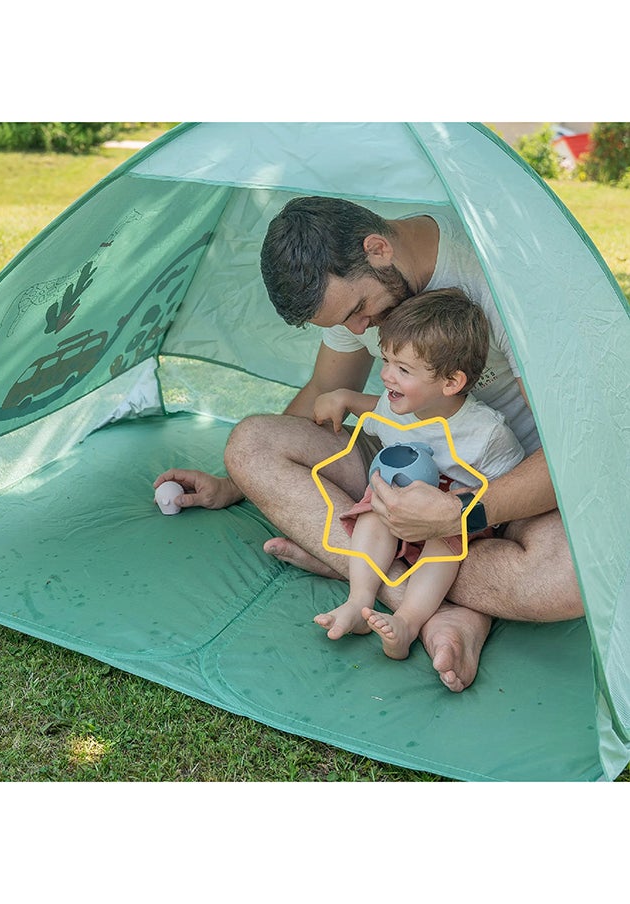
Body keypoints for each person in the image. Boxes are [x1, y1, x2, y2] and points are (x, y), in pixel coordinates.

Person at [154, 196, 583, 693]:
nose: (360, 330)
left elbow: (573, 454)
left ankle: (359, 567)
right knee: (251, 443)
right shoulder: (360, 304)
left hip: (512, 482)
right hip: (399, 464)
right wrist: (235, 484)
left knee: (566, 579)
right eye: (344, 323)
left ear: (378, 248)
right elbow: (322, 392)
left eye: (358, 310)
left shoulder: (498, 279)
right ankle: (424, 606)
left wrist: (460, 514)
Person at [312, 288, 525, 660]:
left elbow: (514, 486)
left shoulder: (486, 434)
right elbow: (376, 411)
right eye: (386, 359)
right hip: (399, 504)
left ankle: (408, 622)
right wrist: (344, 397)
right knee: (374, 513)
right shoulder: (397, 405)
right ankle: (359, 601)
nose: (386, 375)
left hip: (450, 520)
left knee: (441, 546)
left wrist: (461, 514)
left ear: (451, 383)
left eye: (403, 369)